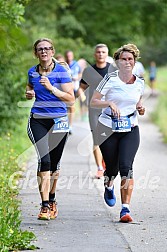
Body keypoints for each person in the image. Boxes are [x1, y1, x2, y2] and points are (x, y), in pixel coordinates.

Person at [90, 43, 145, 222]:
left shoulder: (140, 82)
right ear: (117, 61)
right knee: (111, 168)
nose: (127, 62)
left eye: (130, 59)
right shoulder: (110, 79)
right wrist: (109, 103)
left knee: (126, 167)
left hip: (130, 128)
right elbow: (94, 101)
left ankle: (125, 209)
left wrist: (140, 108)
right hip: (107, 127)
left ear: (134, 62)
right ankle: (108, 184)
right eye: (124, 59)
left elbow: (137, 102)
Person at [25, 38, 75, 220]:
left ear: (53, 52)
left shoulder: (62, 72)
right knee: (44, 160)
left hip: (59, 120)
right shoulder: (32, 72)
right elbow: (30, 86)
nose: (44, 52)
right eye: (40, 49)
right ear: (36, 53)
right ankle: (44, 205)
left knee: (54, 164)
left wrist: (52, 88)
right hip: (38, 119)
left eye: (47, 49)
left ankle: (52, 199)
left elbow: (71, 99)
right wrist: (29, 92)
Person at [78, 44, 117, 179]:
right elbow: (81, 87)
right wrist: (79, 97)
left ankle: (108, 163)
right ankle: (100, 168)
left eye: (103, 52)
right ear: (94, 54)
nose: (100, 54)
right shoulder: (89, 71)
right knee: (97, 139)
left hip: (110, 110)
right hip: (94, 109)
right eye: (98, 52)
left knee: (111, 139)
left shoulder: (113, 70)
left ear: (107, 54)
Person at [65, 50, 82, 134]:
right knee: (65, 107)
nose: (69, 57)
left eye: (70, 56)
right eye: (67, 56)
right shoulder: (63, 65)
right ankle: (63, 124)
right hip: (64, 89)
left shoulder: (76, 64)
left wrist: (77, 78)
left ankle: (70, 126)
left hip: (74, 88)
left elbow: (80, 73)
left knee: (71, 107)